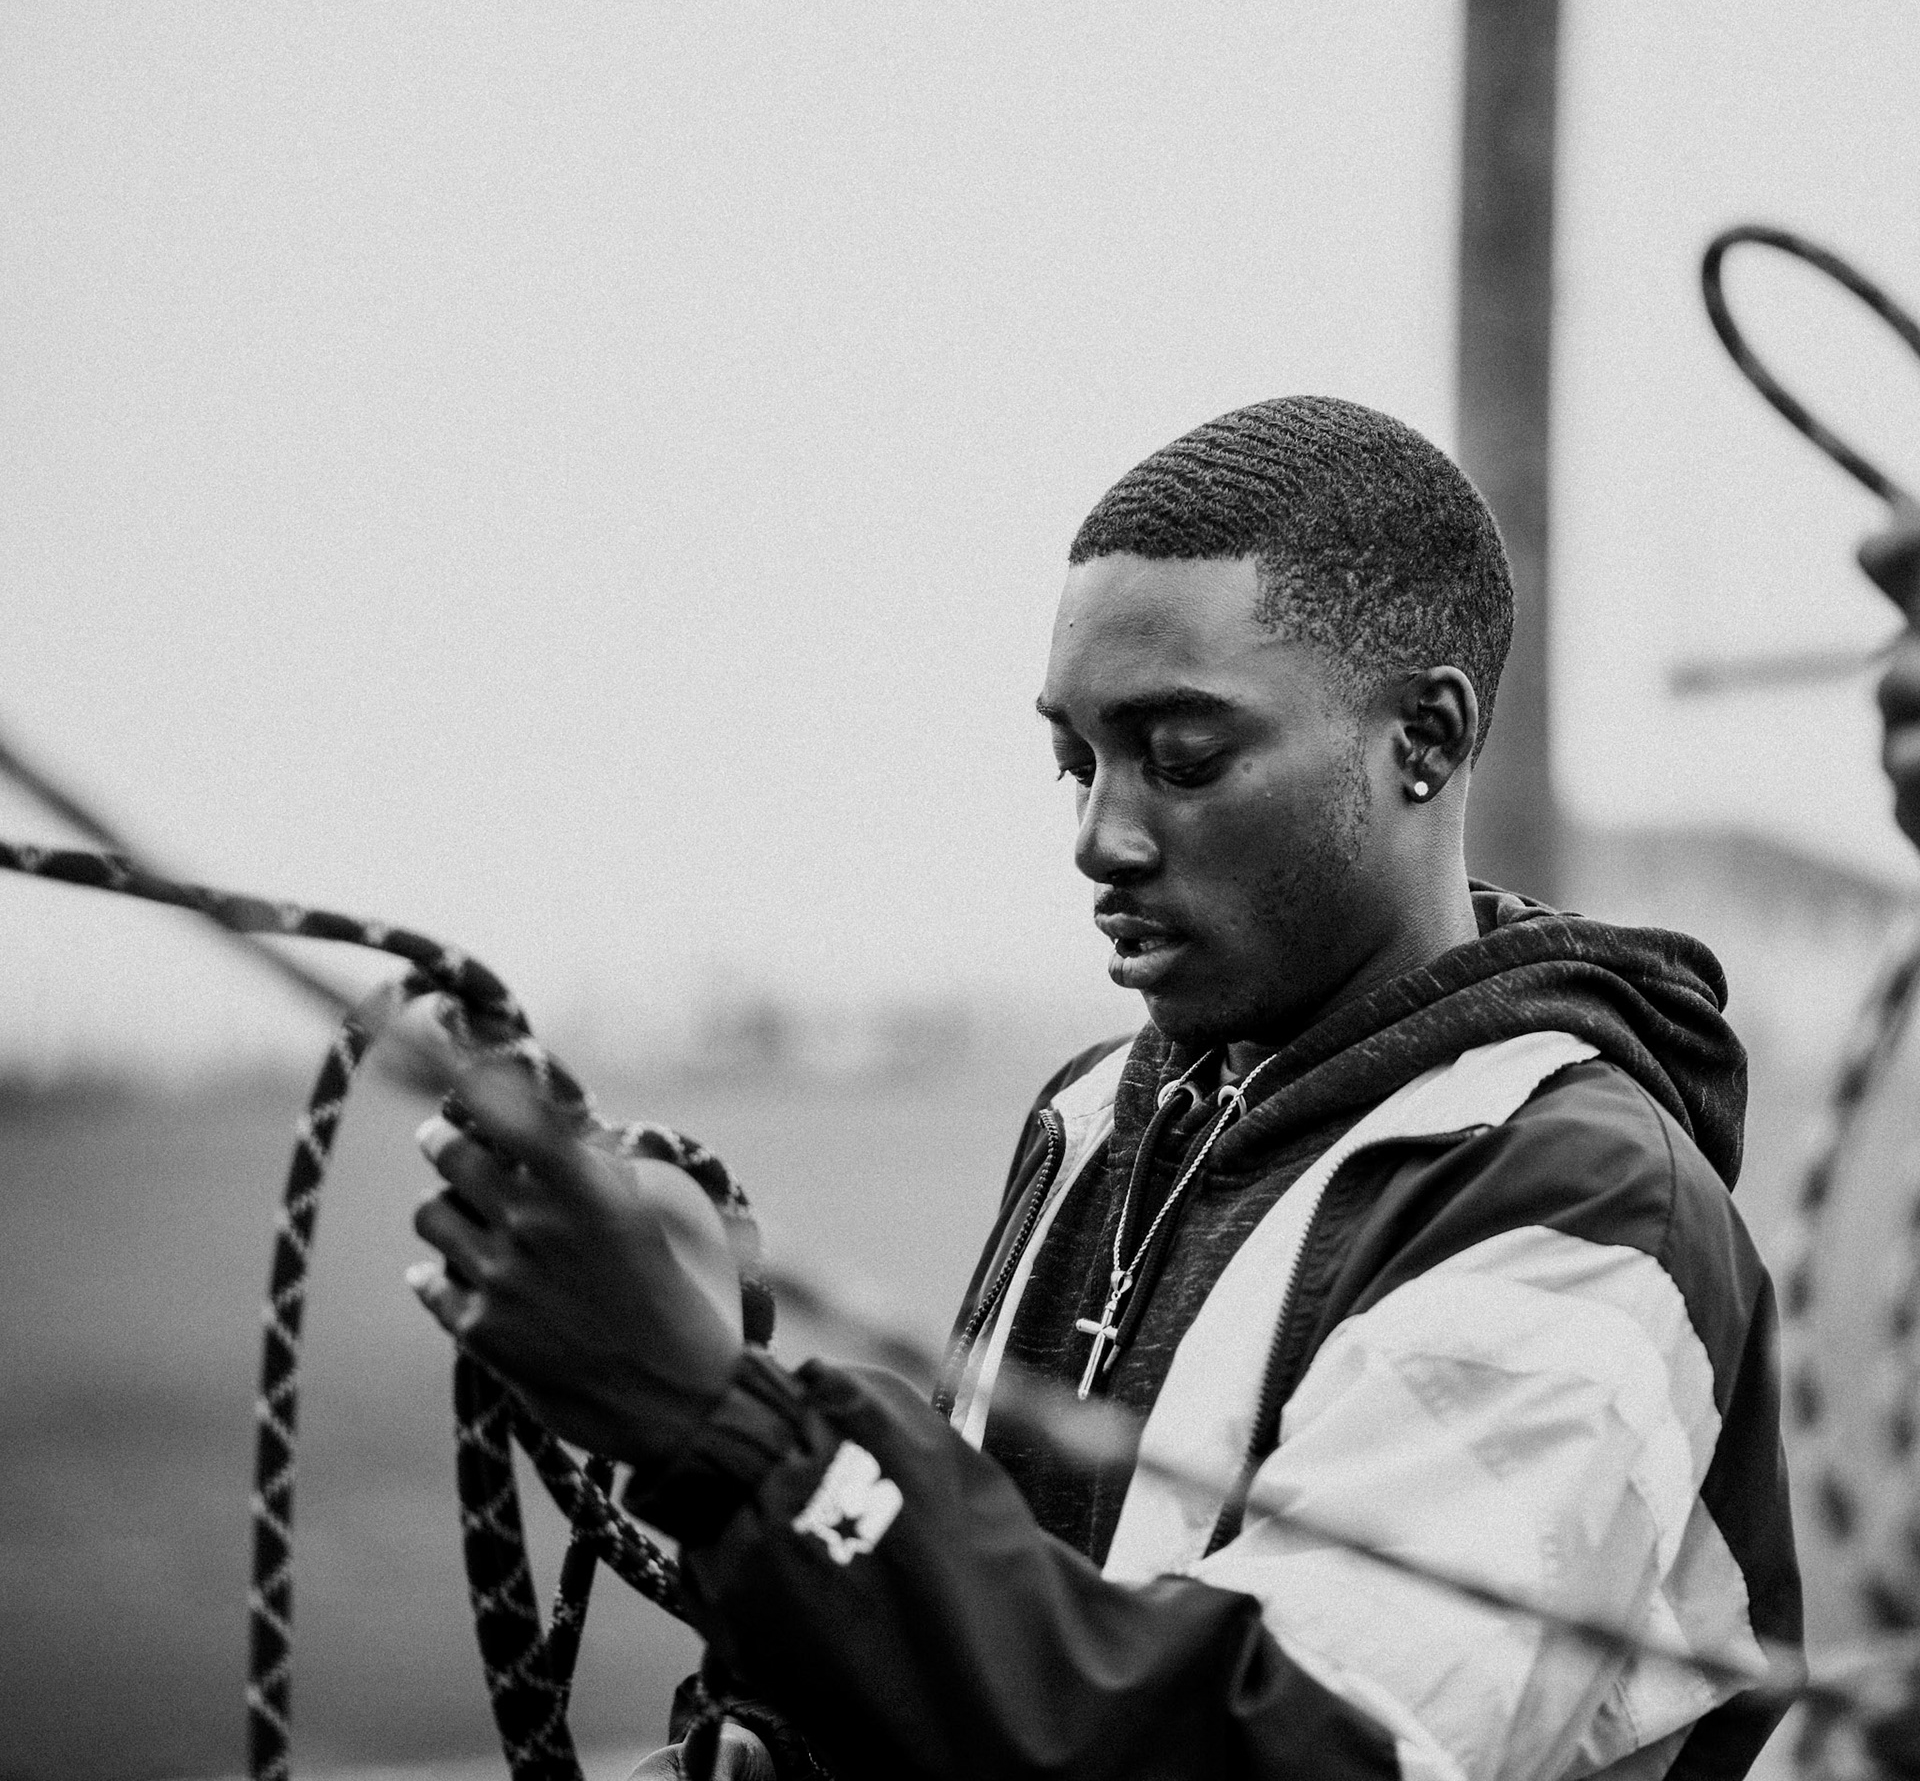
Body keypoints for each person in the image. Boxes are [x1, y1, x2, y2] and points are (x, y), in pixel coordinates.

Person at [409, 397, 1800, 1781]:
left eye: (1181, 759)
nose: (1100, 837)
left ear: (1424, 739)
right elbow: (1006, 1645)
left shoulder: (1583, 1208)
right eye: (1074, 761)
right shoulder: (1096, 1117)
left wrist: (721, 1431)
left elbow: (1291, 1757)